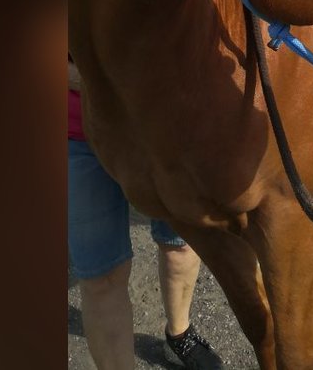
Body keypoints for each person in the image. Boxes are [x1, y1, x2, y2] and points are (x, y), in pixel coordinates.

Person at [68, 58, 223, 370]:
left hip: (165, 128)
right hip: (77, 133)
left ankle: (179, 334)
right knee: (101, 276)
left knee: (180, 244)